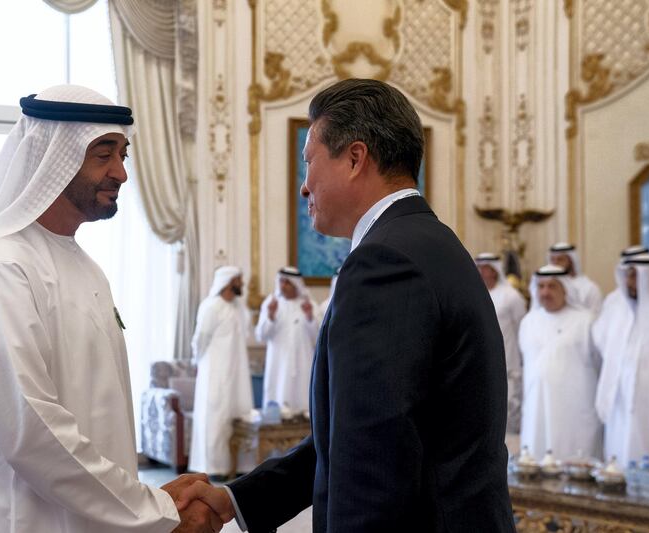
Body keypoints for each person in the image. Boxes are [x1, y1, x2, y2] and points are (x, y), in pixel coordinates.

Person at [175, 79, 515, 532]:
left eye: (309, 163)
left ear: (355, 158)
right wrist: (235, 498)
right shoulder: (426, 242)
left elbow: (374, 468)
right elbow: (351, 439)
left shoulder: (385, 261)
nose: (303, 186)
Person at [0, 86, 219, 533]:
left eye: (123, 154)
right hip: (21, 518)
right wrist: (151, 510)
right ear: (51, 158)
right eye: (103, 154)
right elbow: (32, 428)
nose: (121, 172)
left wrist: (142, 503)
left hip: (95, 515)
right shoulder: (0, 266)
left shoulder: (85, 266)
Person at [519, 265, 602, 461]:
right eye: (541, 287)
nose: (545, 292)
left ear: (565, 289)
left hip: (574, 408)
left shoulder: (586, 321)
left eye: (552, 286)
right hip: (536, 406)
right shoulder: (529, 321)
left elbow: (599, 364)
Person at [189, 266, 254, 476]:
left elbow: (248, 332)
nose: (242, 284)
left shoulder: (237, 307)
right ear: (229, 282)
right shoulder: (211, 306)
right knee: (216, 418)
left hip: (237, 372)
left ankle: (238, 466)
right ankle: (214, 466)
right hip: (215, 372)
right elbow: (200, 339)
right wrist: (200, 365)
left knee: (237, 416)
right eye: (239, 280)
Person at [595, 253, 649, 467]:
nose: (629, 283)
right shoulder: (618, 311)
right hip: (619, 404)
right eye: (627, 276)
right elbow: (600, 343)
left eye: (636, 276)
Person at [475, 252, 527, 434]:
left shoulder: (511, 296)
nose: (481, 272)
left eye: (486, 268)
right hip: (481, 359)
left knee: (510, 405)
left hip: (508, 359)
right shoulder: (474, 293)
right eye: (479, 267)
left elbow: (522, 327)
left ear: (495, 271)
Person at [254, 267, 318, 412]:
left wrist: (309, 317)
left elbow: (317, 338)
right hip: (279, 363)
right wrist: (270, 316)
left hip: (303, 362)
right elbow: (261, 336)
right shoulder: (271, 304)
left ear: (295, 284)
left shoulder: (309, 305)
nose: (282, 285)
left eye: (286, 282)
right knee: (278, 396)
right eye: (281, 281)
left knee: (305, 400)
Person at [548, 242, 603, 315]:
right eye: (552, 260)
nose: (555, 264)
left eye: (560, 259)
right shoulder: (546, 288)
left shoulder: (590, 288)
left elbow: (595, 317)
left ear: (572, 261)